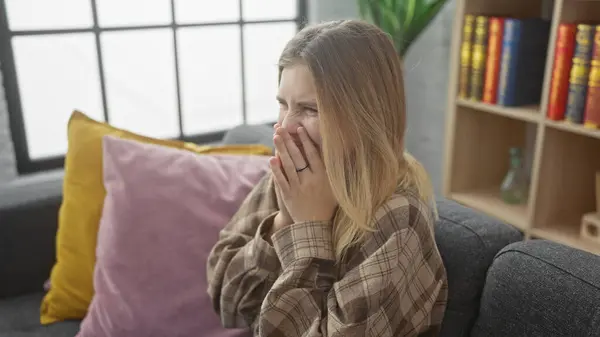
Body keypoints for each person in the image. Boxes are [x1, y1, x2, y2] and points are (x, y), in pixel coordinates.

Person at [207, 19, 448, 337]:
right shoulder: (293, 176)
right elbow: (228, 304)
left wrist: (310, 231)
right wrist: (284, 220)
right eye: (283, 105)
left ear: (366, 115)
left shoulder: (398, 221)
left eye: (309, 109)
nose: (285, 128)